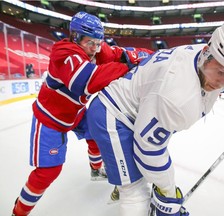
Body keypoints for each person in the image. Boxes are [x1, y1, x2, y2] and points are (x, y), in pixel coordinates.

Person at [86, 16, 224, 216]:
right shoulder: (178, 96)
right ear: (207, 53)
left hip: (139, 106)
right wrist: (168, 196)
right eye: (221, 72)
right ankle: (126, 180)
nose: (223, 83)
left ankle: (124, 174)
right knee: (136, 191)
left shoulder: (210, 56)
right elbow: (148, 151)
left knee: (140, 174)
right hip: (113, 115)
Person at [12, 11, 152, 216]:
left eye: (98, 42)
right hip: (50, 119)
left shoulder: (95, 48)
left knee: (97, 131)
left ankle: (96, 170)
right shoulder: (64, 53)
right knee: (47, 172)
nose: (95, 49)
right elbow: (87, 82)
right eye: (90, 43)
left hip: (74, 113)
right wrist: (125, 66)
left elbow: (119, 53)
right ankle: (19, 212)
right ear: (75, 38)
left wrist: (143, 55)